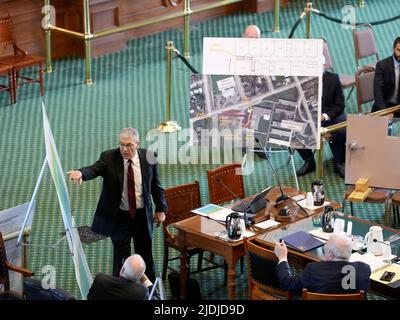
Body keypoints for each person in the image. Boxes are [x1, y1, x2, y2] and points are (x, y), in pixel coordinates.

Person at [68, 127, 167, 282]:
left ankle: (150, 291)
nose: (124, 149)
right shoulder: (109, 157)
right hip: (120, 217)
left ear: (137, 144)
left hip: (142, 216)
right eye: (121, 144)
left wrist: (161, 209)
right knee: (121, 258)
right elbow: (94, 169)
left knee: (145, 255)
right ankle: (120, 290)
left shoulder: (150, 157)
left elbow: (156, 186)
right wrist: (81, 172)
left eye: (129, 145)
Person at [274, 233, 371, 295]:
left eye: (325, 248)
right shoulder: (364, 269)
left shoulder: (314, 269)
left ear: (330, 255)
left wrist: (282, 257)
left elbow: (288, 283)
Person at [296, 70, 347, 178]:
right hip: (309, 118)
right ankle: (309, 161)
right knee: (294, 128)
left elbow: (340, 105)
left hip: (330, 116)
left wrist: (324, 116)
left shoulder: (333, 78)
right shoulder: (300, 80)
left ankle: (339, 162)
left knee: (342, 128)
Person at [87, 254, 159, 300]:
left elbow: (89, 298)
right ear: (139, 278)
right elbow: (158, 298)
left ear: (122, 269)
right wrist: (145, 280)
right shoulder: (141, 293)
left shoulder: (100, 279)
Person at [372, 37, 400, 114]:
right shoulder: (382, 66)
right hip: (385, 106)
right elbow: (378, 93)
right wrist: (384, 112)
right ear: (393, 49)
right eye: (398, 50)